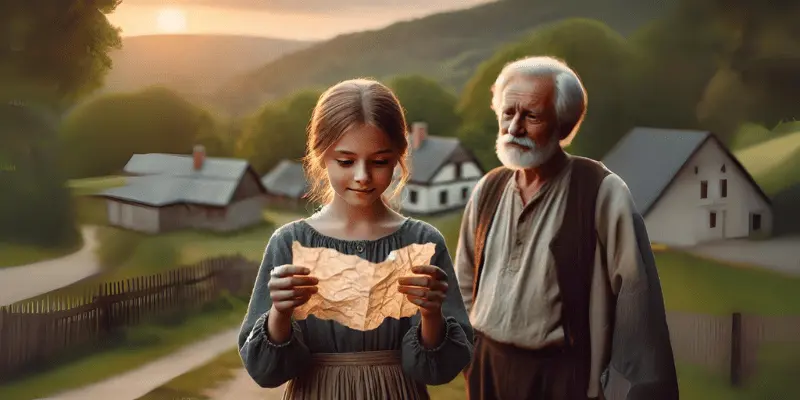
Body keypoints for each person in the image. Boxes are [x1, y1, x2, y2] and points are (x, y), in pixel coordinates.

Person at [454, 56, 679, 400]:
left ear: (563, 125)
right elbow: (464, 283)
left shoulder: (601, 191)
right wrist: (471, 356)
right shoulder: (488, 189)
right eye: (507, 113)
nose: (514, 128)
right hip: (488, 369)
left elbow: (636, 304)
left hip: (561, 377)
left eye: (530, 116)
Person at [238, 78, 473, 399]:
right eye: (346, 161)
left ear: (399, 158)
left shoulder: (423, 242)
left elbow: (439, 370)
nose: (362, 176)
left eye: (379, 162)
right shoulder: (289, 244)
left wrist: (431, 315)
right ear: (320, 156)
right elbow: (265, 373)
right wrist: (279, 314)